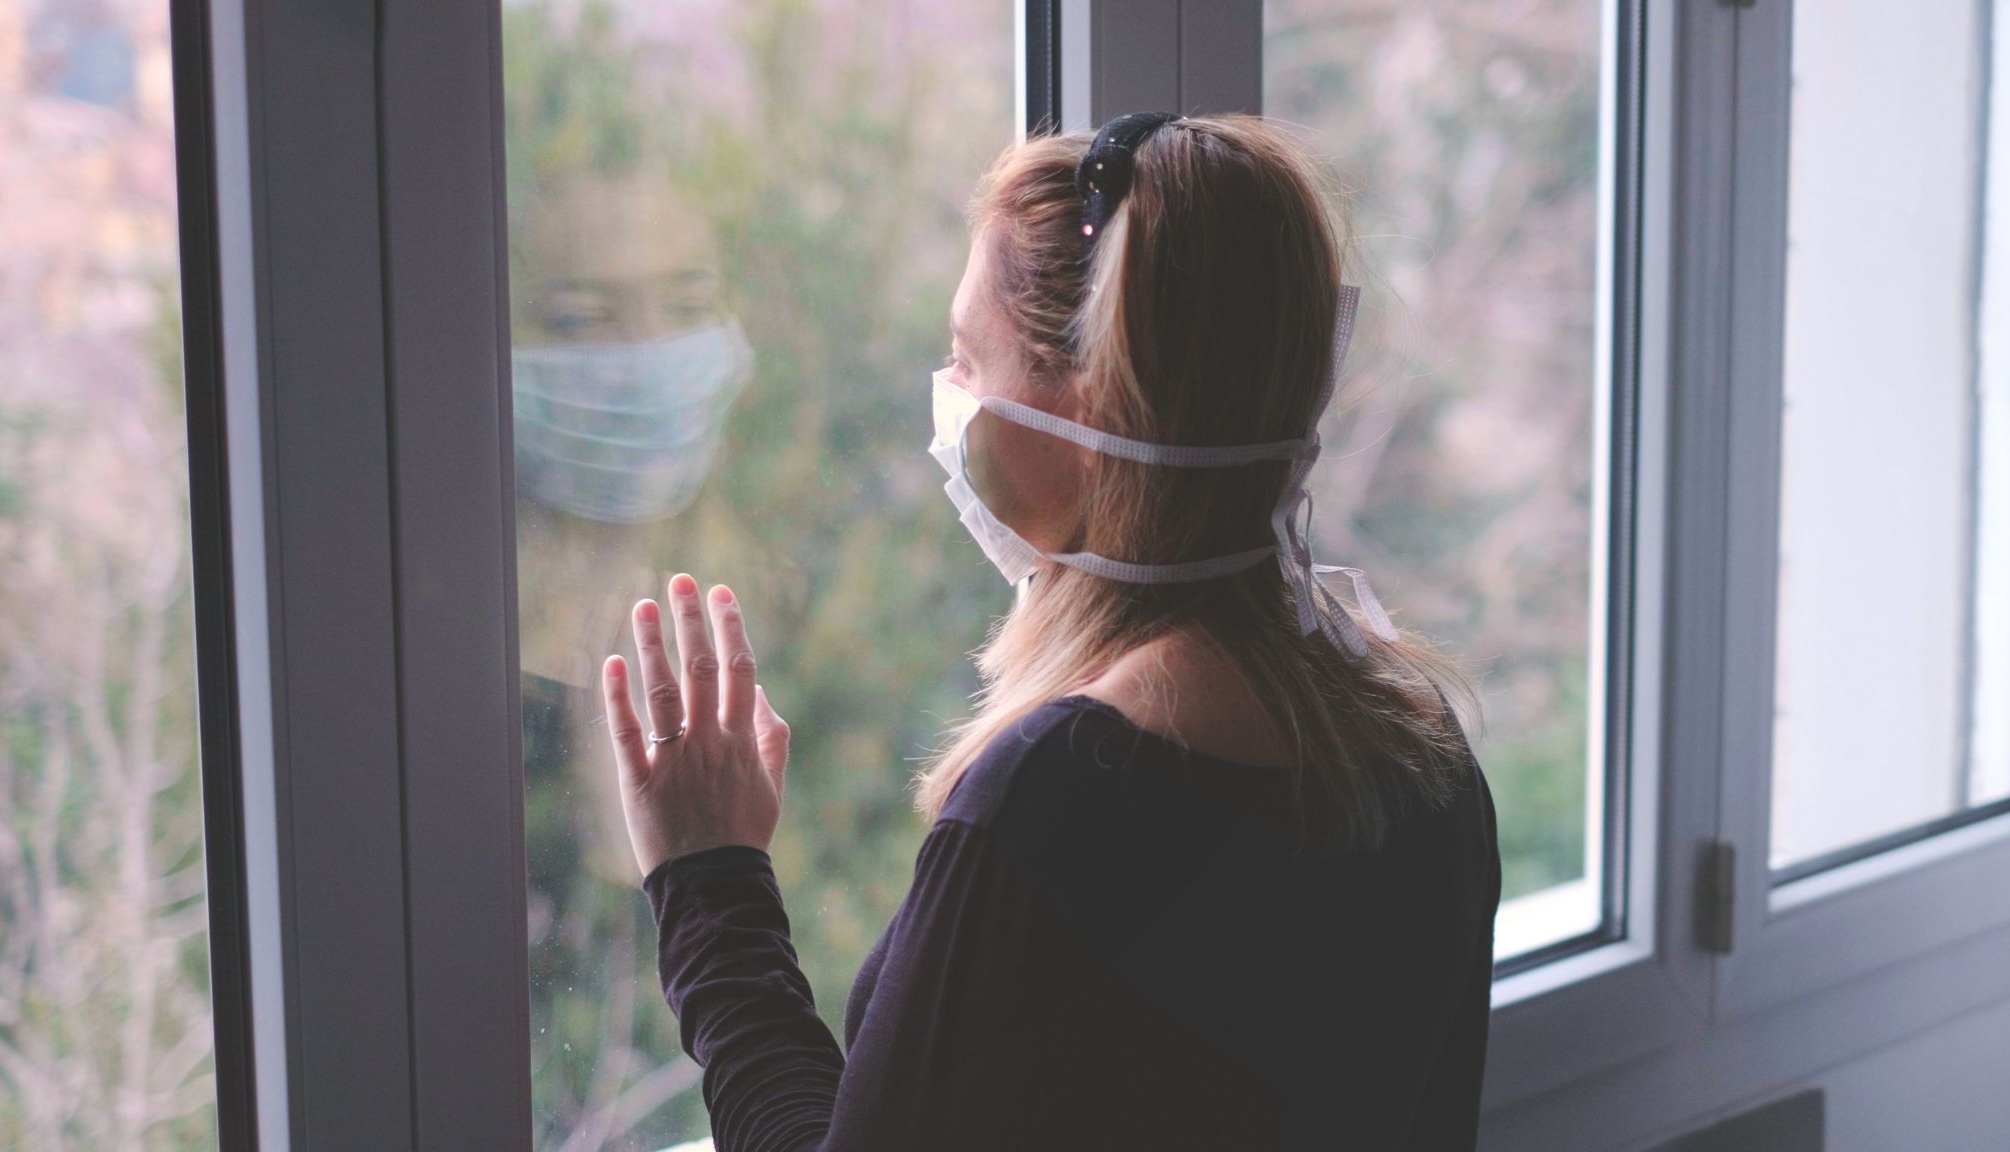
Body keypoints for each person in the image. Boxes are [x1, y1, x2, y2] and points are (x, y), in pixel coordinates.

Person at [598, 112, 1502, 1151]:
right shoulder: (1416, 742)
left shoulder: (1062, 801)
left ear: (1091, 399)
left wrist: (708, 880)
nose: (949, 401)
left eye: (964, 357)